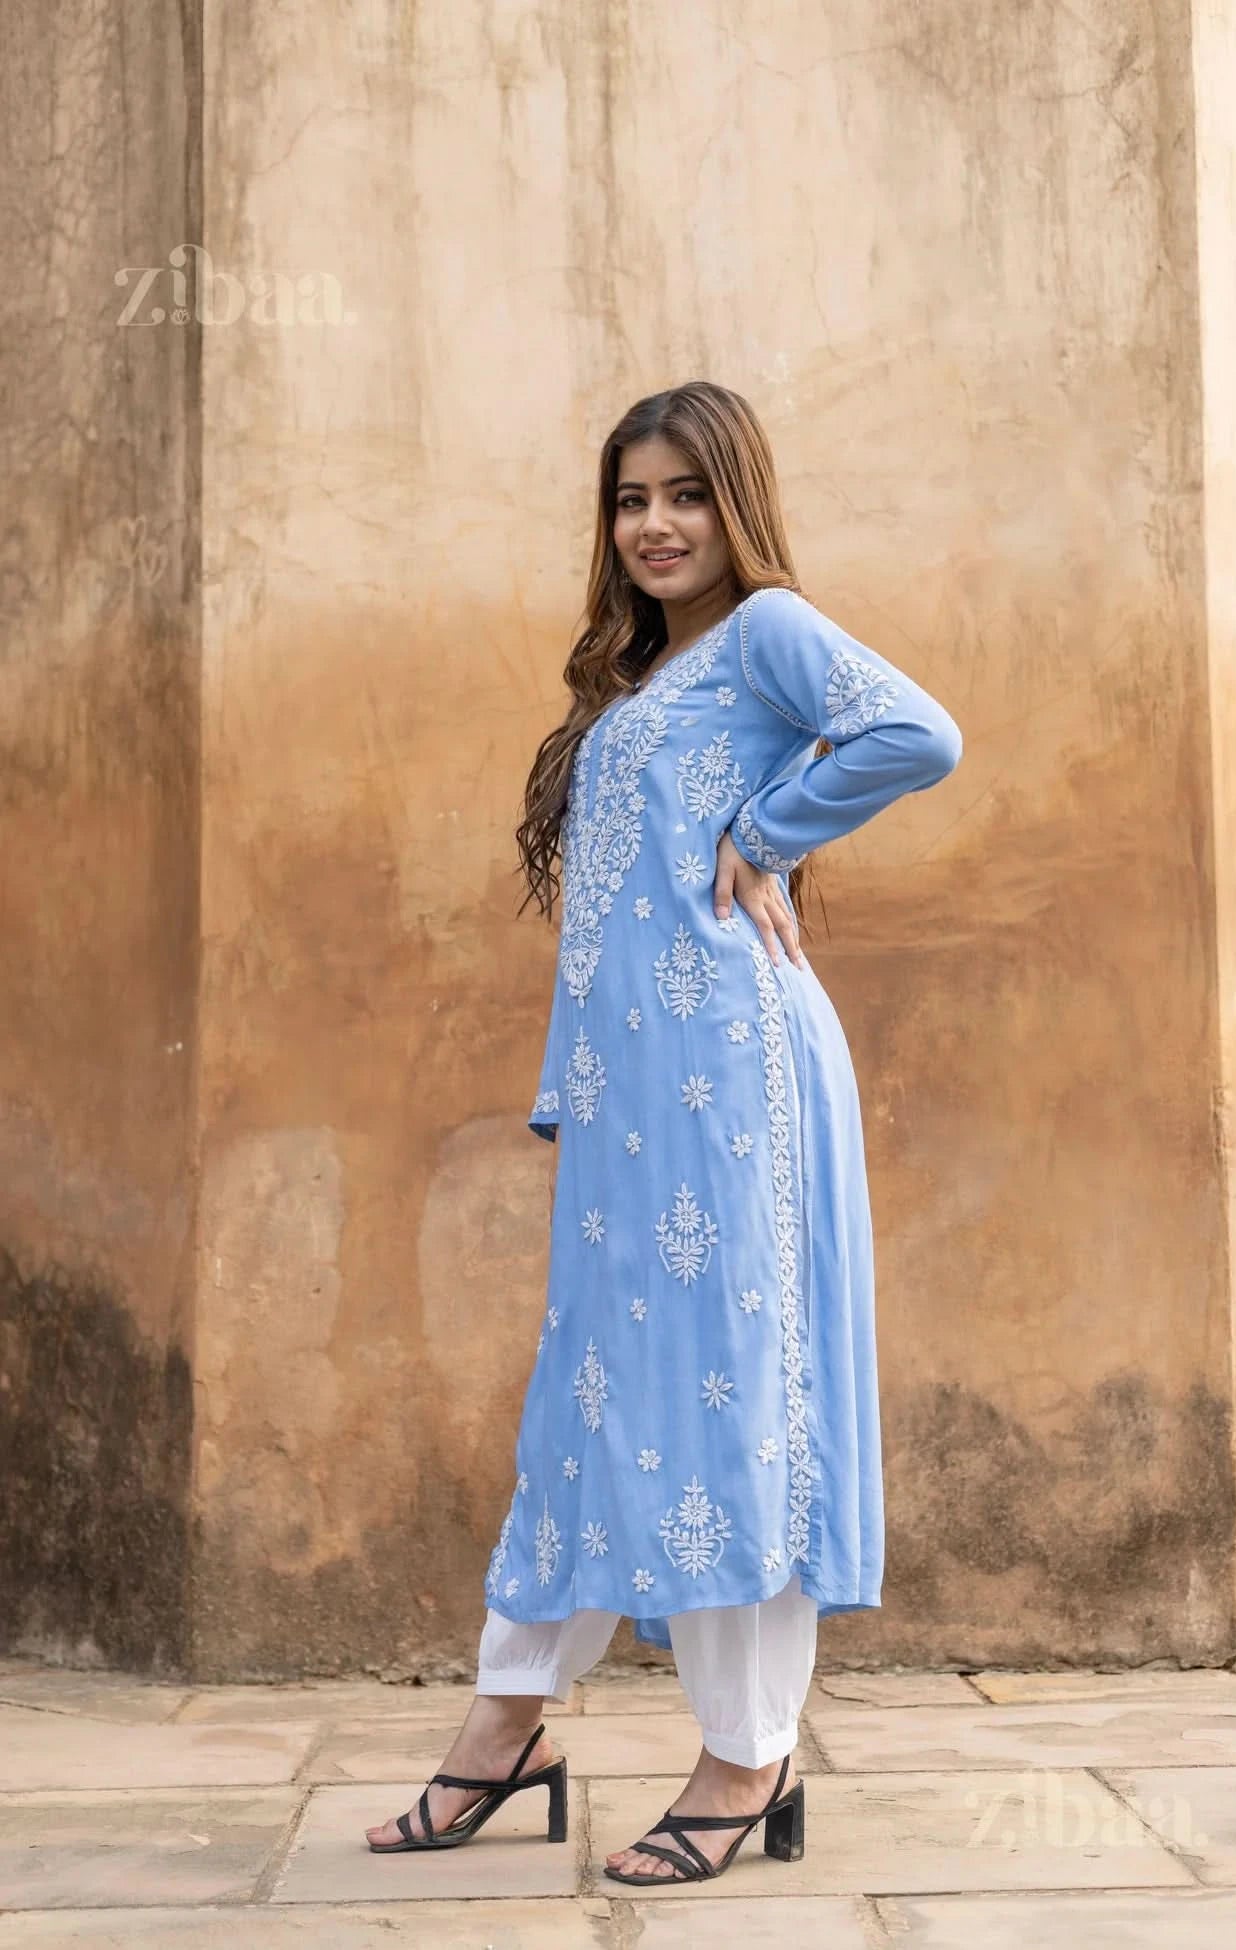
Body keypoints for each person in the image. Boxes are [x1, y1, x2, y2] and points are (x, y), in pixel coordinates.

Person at [365, 379, 962, 1883]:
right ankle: (509, 1728)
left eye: (686, 492)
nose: (655, 524)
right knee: (587, 1402)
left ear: (736, 502)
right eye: (632, 498)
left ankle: (746, 1759)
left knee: (723, 1405)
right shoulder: (639, 684)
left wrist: (765, 836)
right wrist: (572, 1089)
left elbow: (919, 731)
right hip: (636, 1110)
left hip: (737, 1081)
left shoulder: (767, 634)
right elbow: (603, 923)